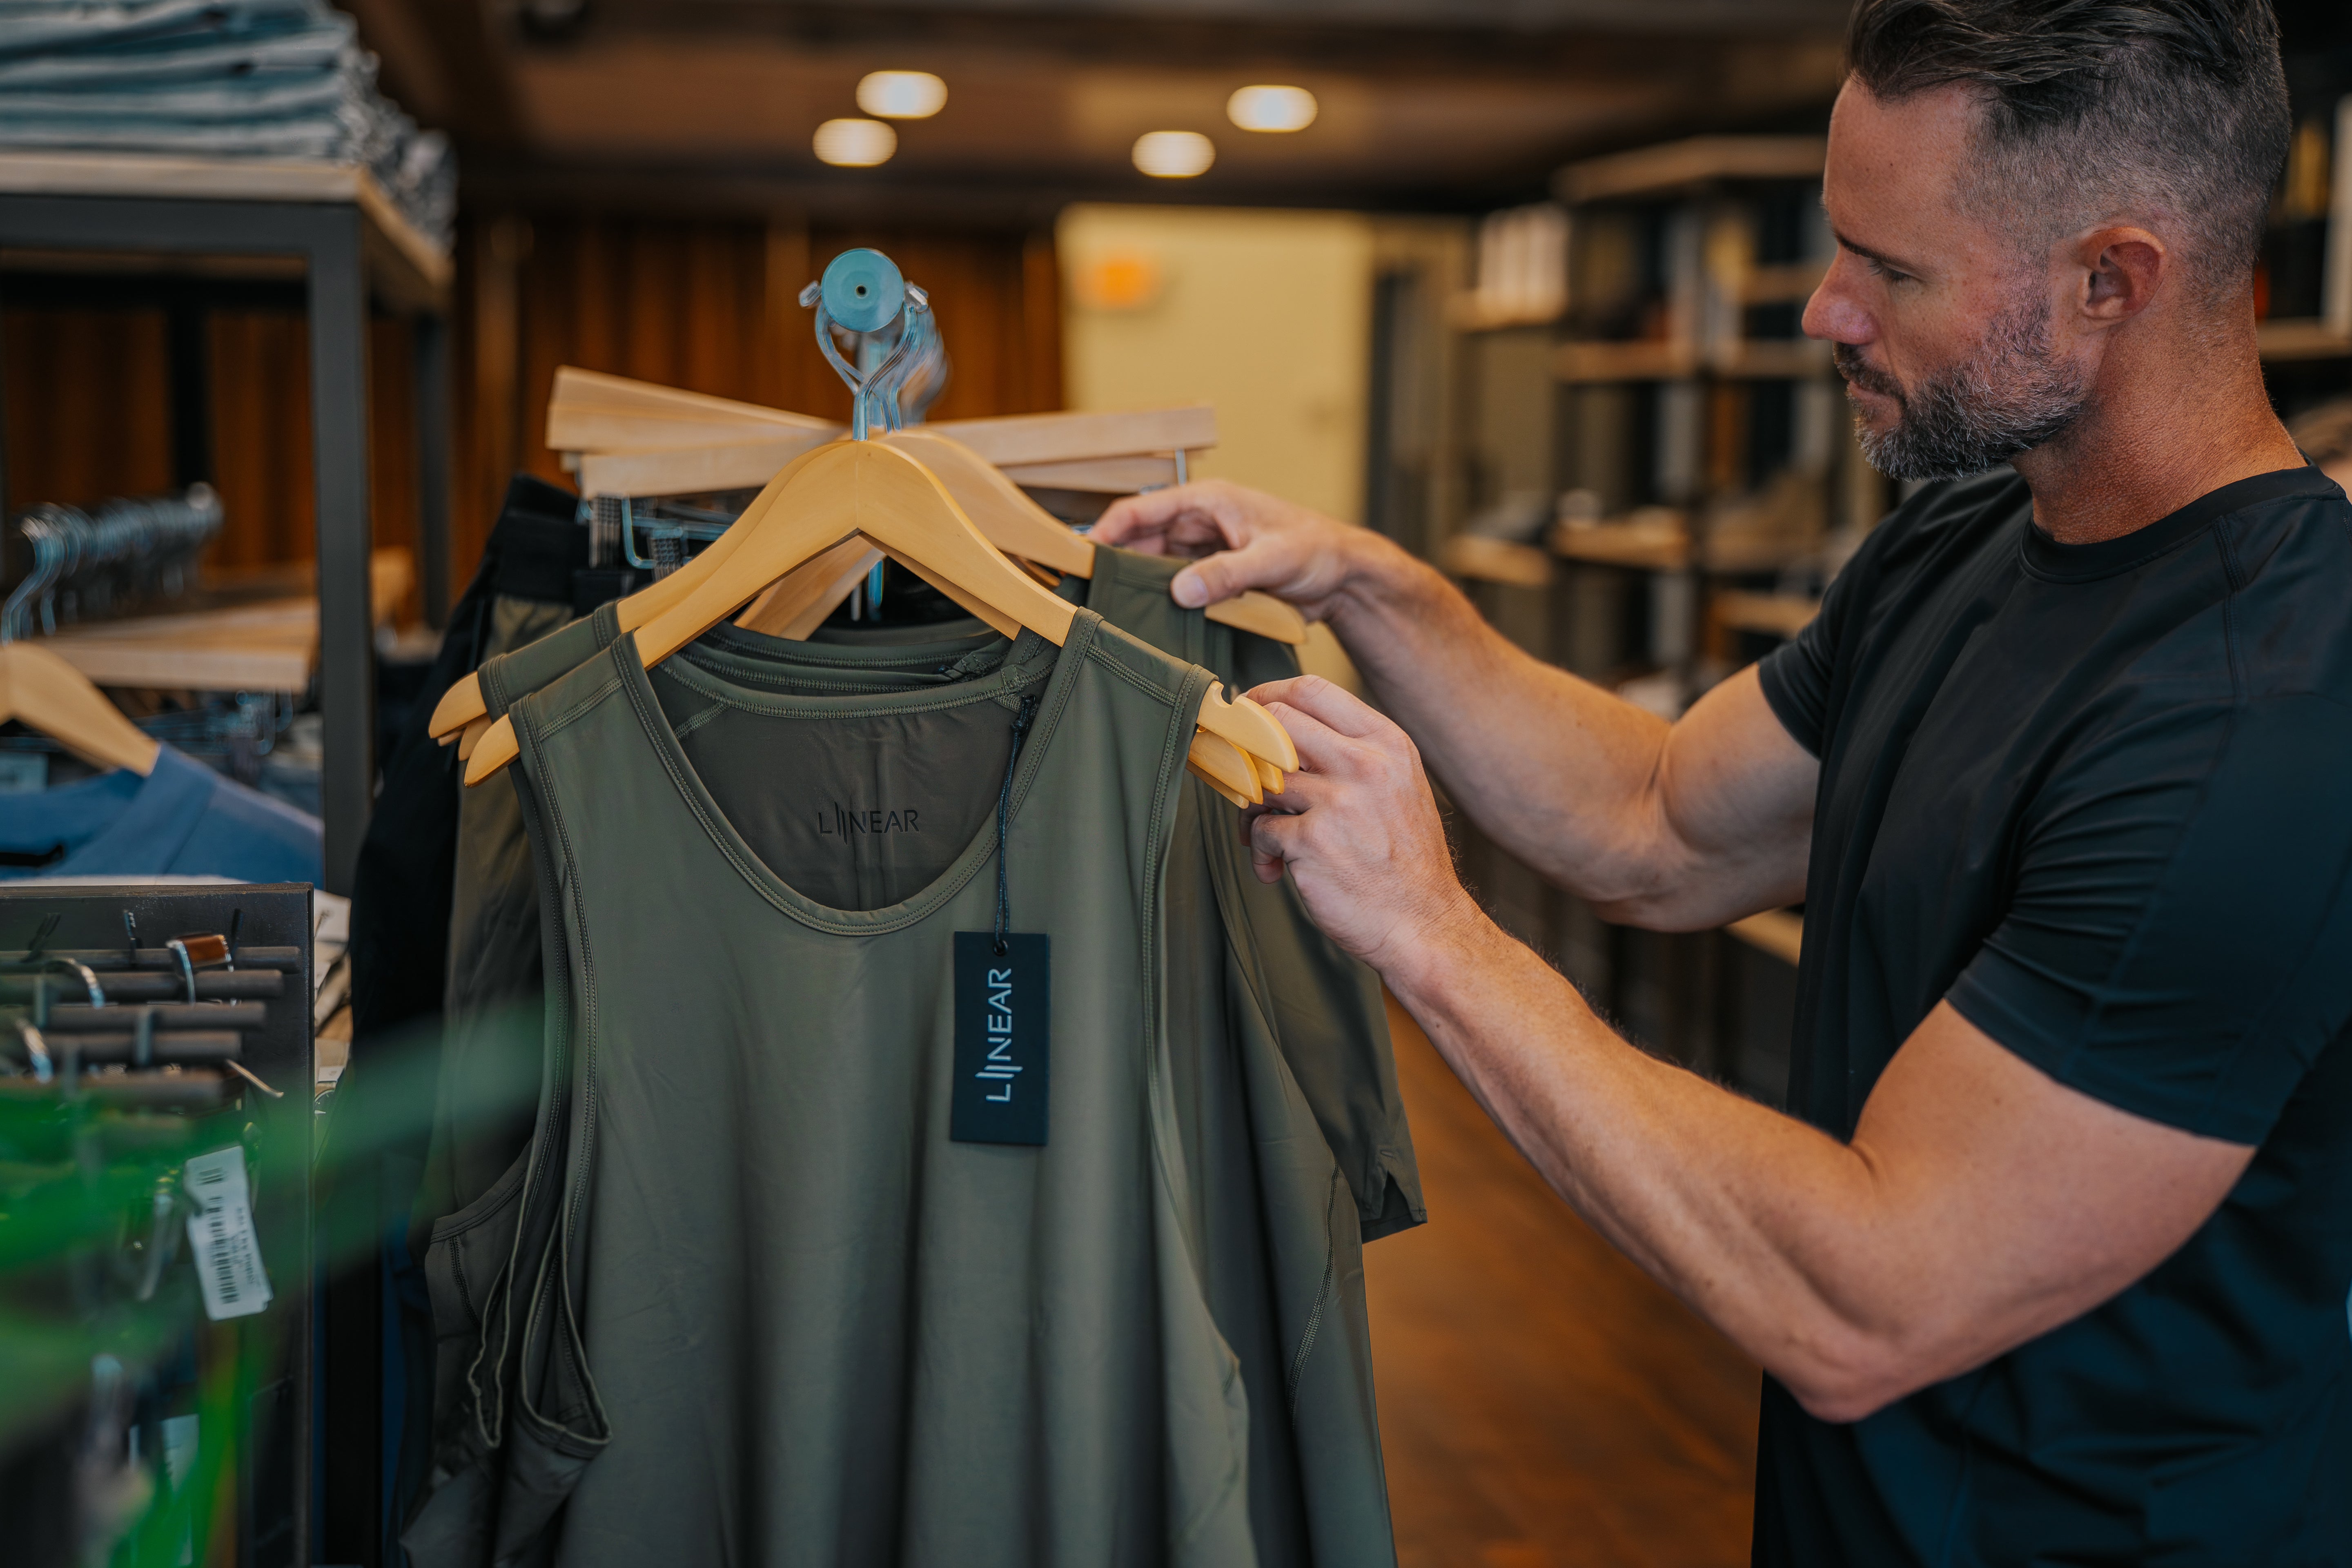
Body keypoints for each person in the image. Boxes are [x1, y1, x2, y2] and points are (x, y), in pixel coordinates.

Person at [1093, 1, 2352, 1561]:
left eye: (1890, 269)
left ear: (2114, 279)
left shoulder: (2263, 721)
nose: (1825, 311)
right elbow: (1660, 821)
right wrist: (1369, 586)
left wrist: (1433, 933)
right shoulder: (1963, 544)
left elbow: (1871, 1297)